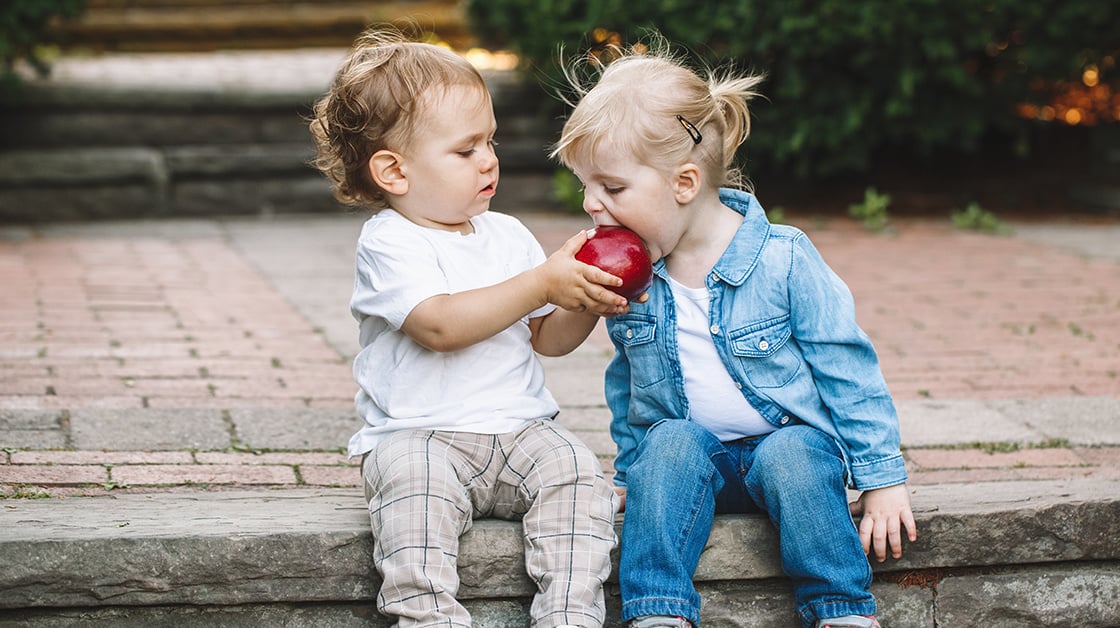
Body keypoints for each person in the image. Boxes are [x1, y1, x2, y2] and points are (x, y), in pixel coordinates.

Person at [551, 40, 918, 628]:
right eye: (585, 187)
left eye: (612, 188)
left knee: (797, 453)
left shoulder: (784, 259)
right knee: (666, 444)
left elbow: (848, 370)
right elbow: (629, 383)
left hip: (785, 450)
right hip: (697, 462)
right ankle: (657, 611)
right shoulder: (638, 275)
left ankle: (842, 609)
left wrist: (882, 480)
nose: (593, 205)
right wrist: (629, 475)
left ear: (684, 182)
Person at [309, 27, 631, 628]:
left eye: (490, 140)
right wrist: (540, 284)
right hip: (420, 436)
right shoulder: (390, 242)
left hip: (520, 431)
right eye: (465, 150)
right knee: (413, 497)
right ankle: (429, 616)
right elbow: (438, 325)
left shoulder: (506, 234)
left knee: (580, 475)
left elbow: (547, 339)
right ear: (394, 172)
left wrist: (583, 298)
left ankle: (569, 614)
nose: (489, 159)